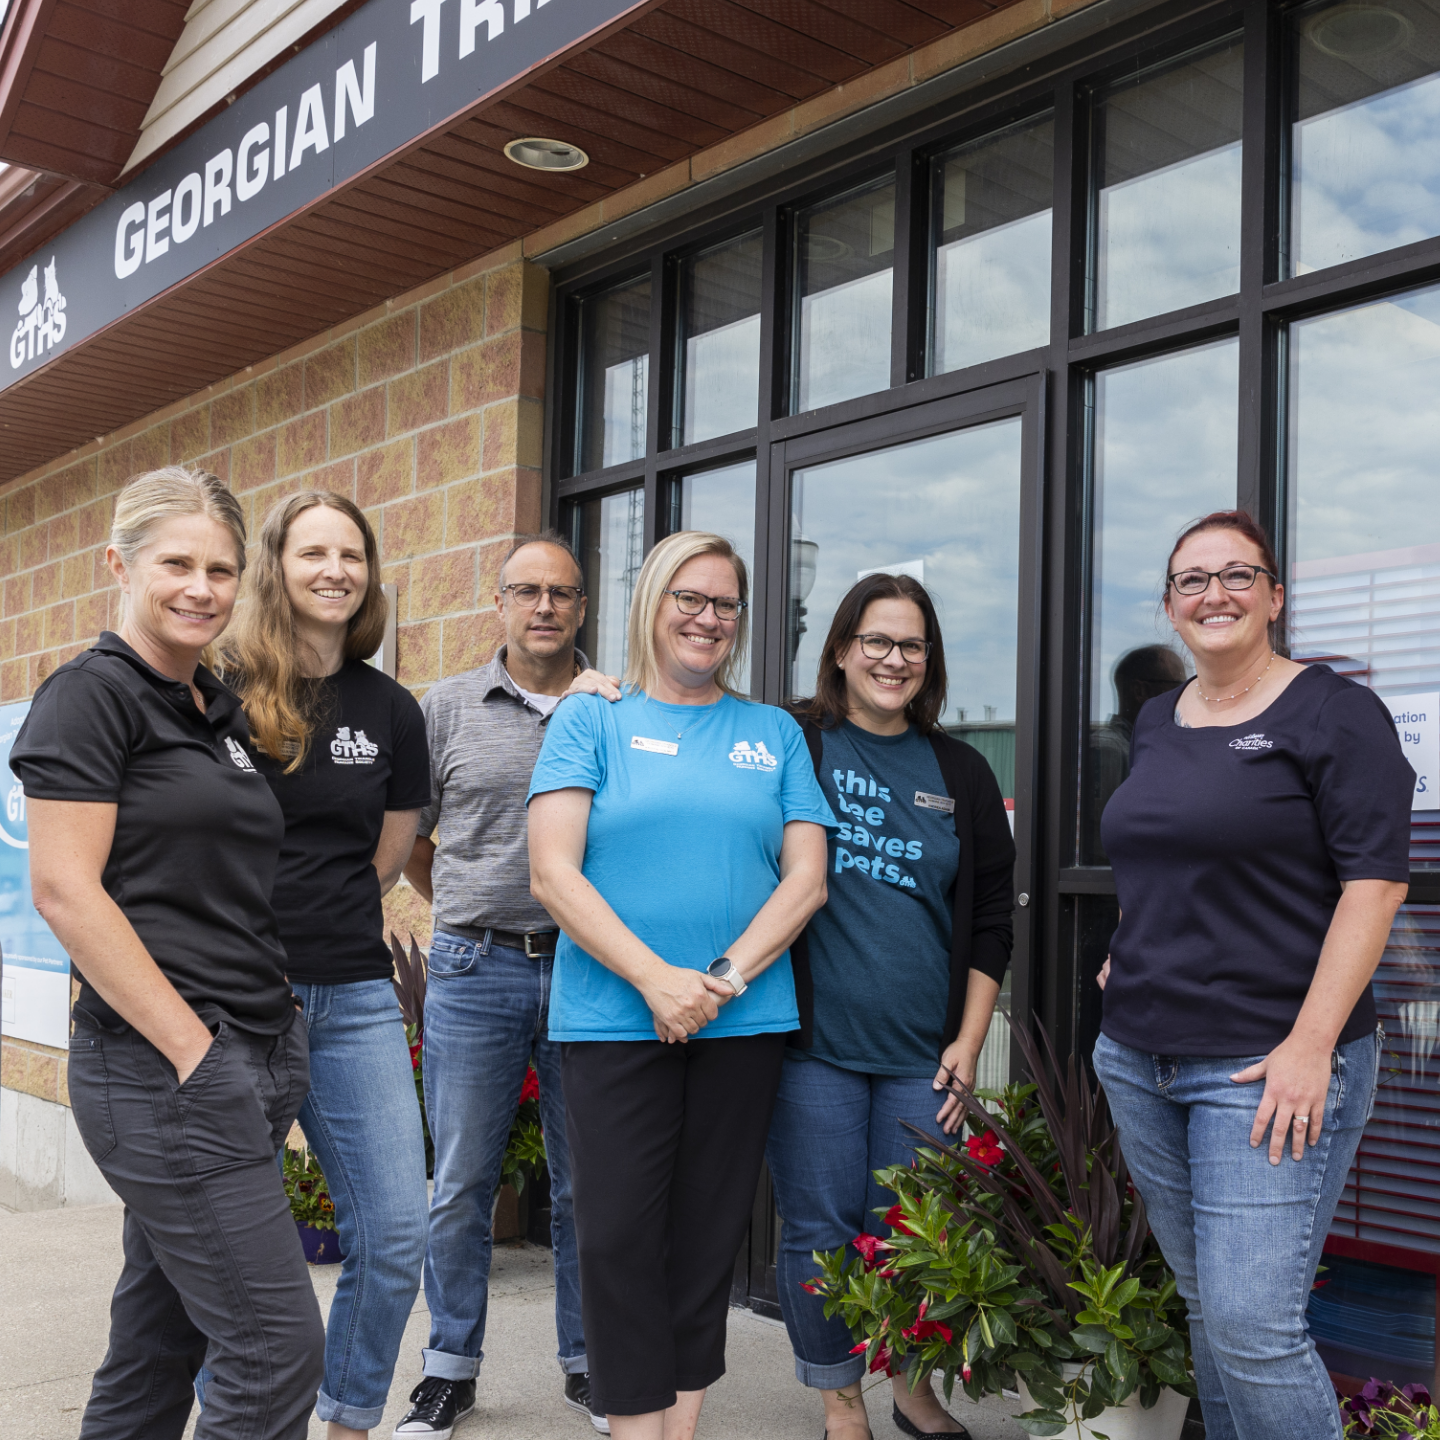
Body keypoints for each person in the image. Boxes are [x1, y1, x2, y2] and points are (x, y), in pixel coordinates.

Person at [12, 467, 325, 1439]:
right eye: (177, 563)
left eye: (222, 570)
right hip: (165, 1070)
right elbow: (66, 889)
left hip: (251, 1055)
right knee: (276, 1351)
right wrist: (196, 1053)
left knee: (161, 1346)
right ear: (120, 563)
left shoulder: (215, 710)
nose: (202, 587)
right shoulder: (89, 699)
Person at [1092, 510, 1414, 1440]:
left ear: (1275, 595)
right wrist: (1132, 935)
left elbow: (1376, 887)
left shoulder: (1335, 711)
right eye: (1192, 580)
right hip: (1140, 1057)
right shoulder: (1160, 718)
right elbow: (1155, 851)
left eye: (1238, 575)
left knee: (1252, 1326)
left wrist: (1312, 1046)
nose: (1214, 594)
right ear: (1169, 606)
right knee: (1210, 1316)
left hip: (1267, 1065)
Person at [527, 530, 836, 1440]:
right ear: (651, 603)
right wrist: (657, 981)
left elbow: (807, 880)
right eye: (688, 598)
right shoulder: (592, 719)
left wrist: (720, 980)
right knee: (618, 1240)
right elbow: (554, 873)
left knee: (706, 1241)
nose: (707, 618)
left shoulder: (772, 731)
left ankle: (681, 1429)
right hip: (614, 1021)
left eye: (724, 604)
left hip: (739, 1024)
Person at [764, 572, 1015, 1440]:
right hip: (814, 1050)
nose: (894, 659)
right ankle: (841, 1401)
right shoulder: (794, 741)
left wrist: (970, 1040)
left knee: (912, 1231)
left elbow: (989, 920)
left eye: (912, 645)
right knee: (824, 1229)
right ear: (840, 649)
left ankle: (911, 1388)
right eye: (876, 640)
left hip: (922, 1054)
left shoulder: (961, 771)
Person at [218, 491, 431, 1440]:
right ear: (278, 564)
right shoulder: (223, 686)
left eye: (353, 553)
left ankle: (345, 1423)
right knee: (231, 1247)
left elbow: (389, 852)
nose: (336, 569)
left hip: (352, 993)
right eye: (315, 551)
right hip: (236, 998)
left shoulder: (391, 707)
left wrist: (327, 912)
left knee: (396, 1234)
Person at [394, 531, 611, 1438]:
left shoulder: (614, 707)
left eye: (561, 592)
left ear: (582, 608)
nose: (545, 607)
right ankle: (450, 1369)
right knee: (461, 1183)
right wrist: (468, 906)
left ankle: (591, 1363)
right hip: (473, 967)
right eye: (527, 590)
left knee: (588, 1183)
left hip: (590, 972)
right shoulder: (443, 708)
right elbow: (407, 836)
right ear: (499, 603)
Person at [1087, 644, 1187, 860]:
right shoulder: (1108, 750)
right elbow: (1098, 845)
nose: (1186, 696)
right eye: (1178, 686)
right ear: (1141, 691)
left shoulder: (1146, 748)